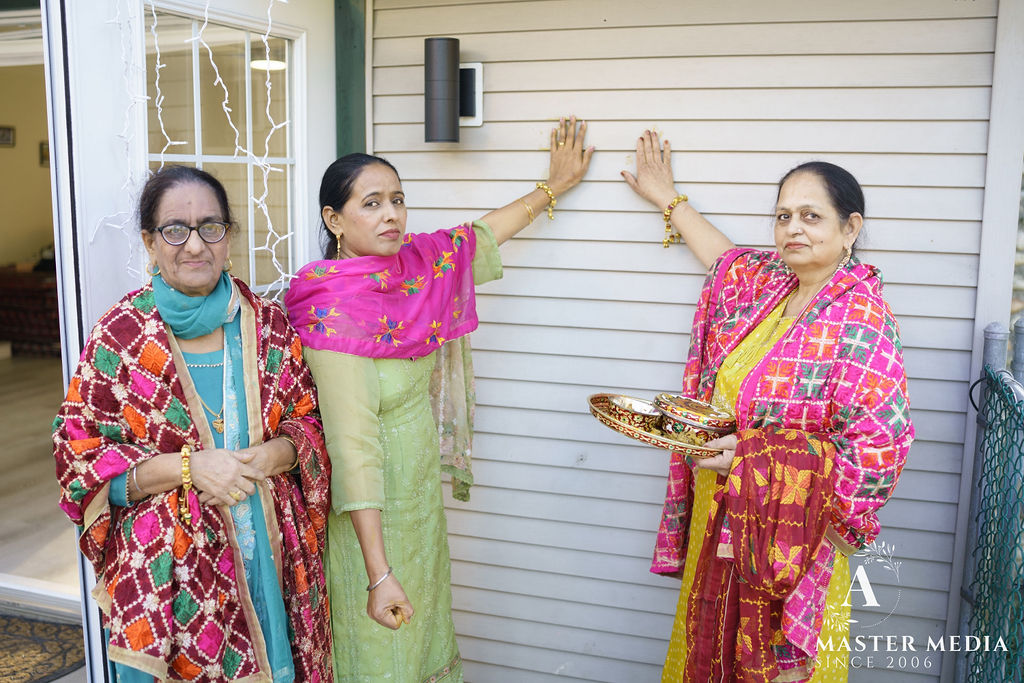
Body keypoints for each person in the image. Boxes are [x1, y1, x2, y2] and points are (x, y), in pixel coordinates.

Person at [283, 117, 593, 681]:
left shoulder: (417, 269)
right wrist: (378, 573)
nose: (391, 215)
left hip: (419, 499)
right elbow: (351, 449)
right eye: (371, 203)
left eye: (397, 200)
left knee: (424, 642)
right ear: (334, 218)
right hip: (370, 514)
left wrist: (556, 186)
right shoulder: (334, 306)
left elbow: (481, 235)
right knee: (386, 653)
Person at [622, 132, 914, 682]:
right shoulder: (771, 288)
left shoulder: (861, 324)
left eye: (811, 215)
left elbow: (880, 451)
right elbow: (723, 257)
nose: (793, 228)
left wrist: (753, 459)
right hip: (724, 515)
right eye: (783, 217)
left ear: (850, 228)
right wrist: (667, 197)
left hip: (795, 542)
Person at [52, 166, 332, 682]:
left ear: (228, 236)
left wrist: (275, 455)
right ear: (149, 242)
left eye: (211, 226)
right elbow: (80, 463)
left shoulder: (267, 324)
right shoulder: (121, 338)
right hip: (168, 582)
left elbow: (308, 424)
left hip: (270, 564)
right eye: (174, 230)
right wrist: (190, 468)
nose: (195, 244)